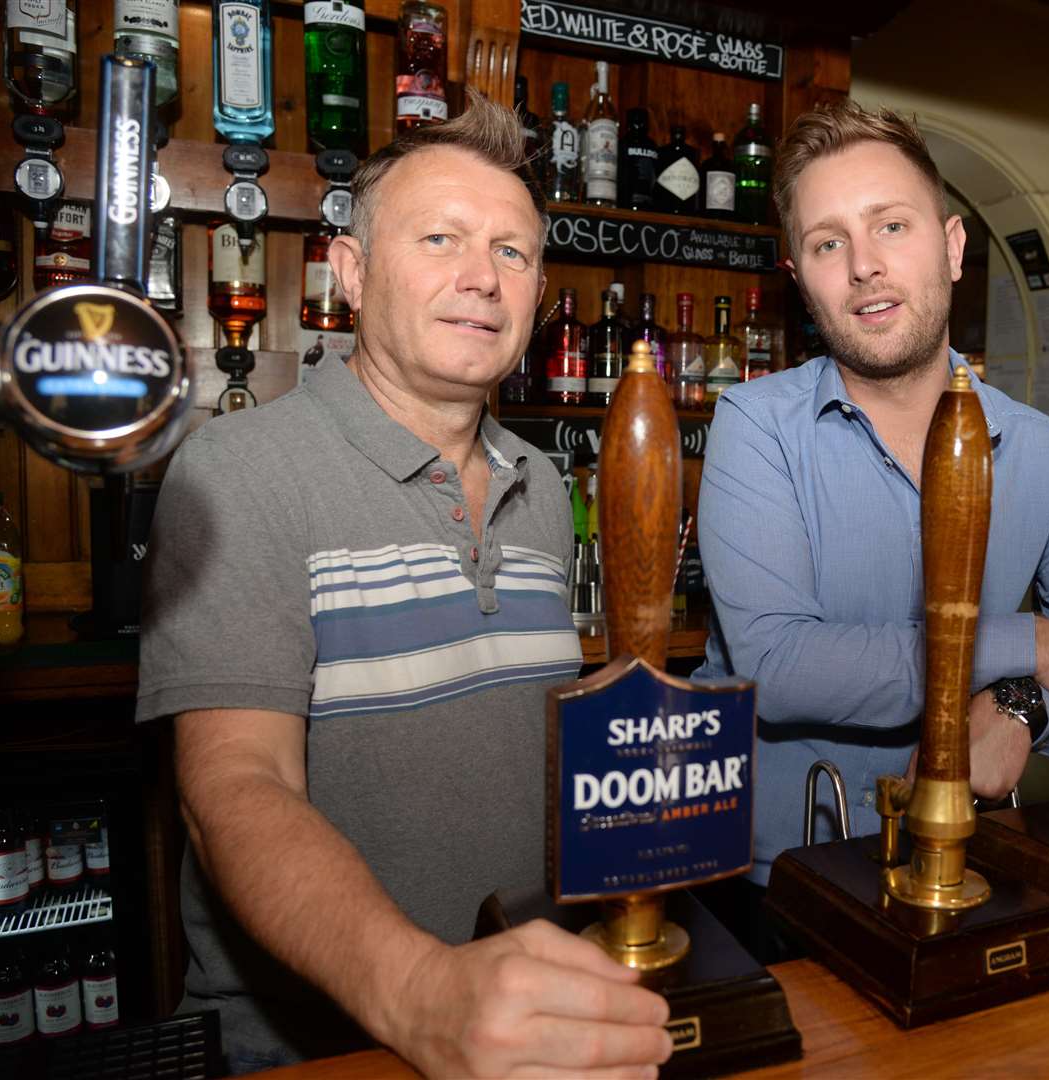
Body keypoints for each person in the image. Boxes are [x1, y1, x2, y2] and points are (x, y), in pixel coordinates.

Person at [135, 94, 673, 1076]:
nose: (481, 279)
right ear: (351, 272)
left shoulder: (543, 485)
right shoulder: (241, 471)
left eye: (512, 253)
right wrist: (424, 994)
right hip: (315, 1044)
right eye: (441, 239)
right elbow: (235, 790)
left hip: (532, 1022)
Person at [692, 100, 1049, 945]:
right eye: (828, 243)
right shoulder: (755, 424)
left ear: (953, 247)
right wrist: (1027, 645)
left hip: (975, 870)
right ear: (801, 276)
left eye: (891, 225)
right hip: (769, 890)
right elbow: (780, 665)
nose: (864, 267)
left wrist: (1024, 706)